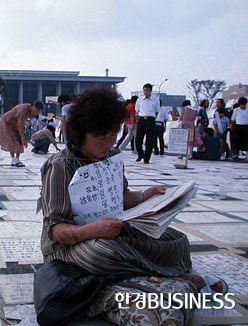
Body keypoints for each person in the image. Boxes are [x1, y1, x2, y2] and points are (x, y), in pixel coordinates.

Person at [39, 87, 225, 325]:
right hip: (71, 244)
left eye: (112, 135)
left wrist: (147, 195)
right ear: (80, 134)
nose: (108, 144)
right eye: (101, 138)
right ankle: (172, 279)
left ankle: (149, 274)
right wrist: (93, 230)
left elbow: (121, 196)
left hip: (112, 230)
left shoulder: (110, 158)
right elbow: (56, 230)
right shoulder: (61, 166)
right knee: (103, 252)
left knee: (176, 241)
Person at [0, 100, 44, 167]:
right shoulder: (23, 110)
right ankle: (14, 160)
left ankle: (17, 159)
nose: (36, 113)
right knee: (13, 141)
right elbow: (20, 124)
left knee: (19, 141)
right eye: (36, 111)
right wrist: (23, 138)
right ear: (33, 106)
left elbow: (21, 123)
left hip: (15, 124)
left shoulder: (29, 111)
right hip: (7, 123)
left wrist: (22, 136)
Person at [135, 83, 159, 163]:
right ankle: (140, 154)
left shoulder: (155, 100)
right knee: (138, 139)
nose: (146, 92)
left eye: (147, 91)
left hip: (150, 120)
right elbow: (137, 110)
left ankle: (147, 158)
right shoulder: (140, 99)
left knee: (150, 140)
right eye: (144, 90)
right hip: (141, 119)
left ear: (151, 91)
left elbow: (156, 111)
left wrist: (152, 118)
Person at [230, 97, 248, 162]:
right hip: (238, 126)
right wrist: (231, 127)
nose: (242, 106)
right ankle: (234, 155)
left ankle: (247, 157)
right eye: (241, 105)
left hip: (246, 126)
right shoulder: (236, 110)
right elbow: (233, 119)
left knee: (247, 142)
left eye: (243, 104)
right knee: (235, 141)